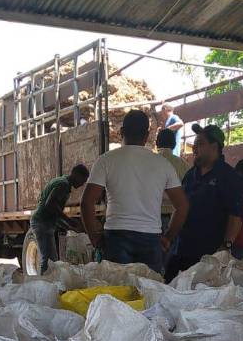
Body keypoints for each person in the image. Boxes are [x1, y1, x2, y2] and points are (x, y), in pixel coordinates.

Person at [81, 110, 189, 274]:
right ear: (146, 136)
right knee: (148, 293)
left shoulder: (105, 160)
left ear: (122, 132)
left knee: (118, 293)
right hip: (150, 240)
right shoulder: (163, 164)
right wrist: (168, 238)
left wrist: (94, 237)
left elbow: (86, 202)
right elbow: (182, 206)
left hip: (116, 238)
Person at [164, 123, 243, 282]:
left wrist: (226, 247)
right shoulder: (190, 175)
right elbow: (179, 208)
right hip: (181, 251)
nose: (194, 149)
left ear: (214, 146)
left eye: (200, 144)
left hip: (208, 257)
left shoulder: (228, 177)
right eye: (195, 145)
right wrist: (169, 236)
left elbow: (236, 215)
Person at [31, 164, 89, 273]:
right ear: (76, 175)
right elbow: (50, 205)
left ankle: (49, 283)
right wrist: (68, 220)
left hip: (45, 222)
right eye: (83, 180)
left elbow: (55, 210)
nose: (82, 184)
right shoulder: (63, 185)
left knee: (51, 260)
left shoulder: (62, 182)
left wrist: (69, 226)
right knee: (49, 260)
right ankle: (46, 285)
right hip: (42, 222)